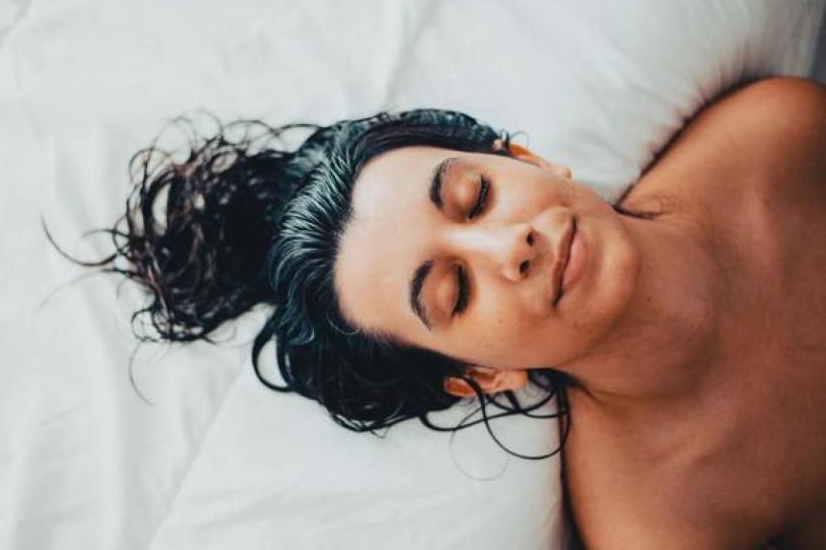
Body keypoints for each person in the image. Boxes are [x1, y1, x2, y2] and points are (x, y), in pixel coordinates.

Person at [83, 76, 826, 549]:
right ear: (478, 375)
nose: (514, 244)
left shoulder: (776, 139)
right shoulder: (661, 525)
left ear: (526, 161)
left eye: (477, 196)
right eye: (457, 292)